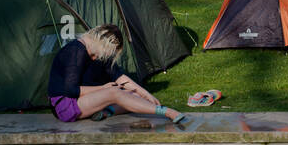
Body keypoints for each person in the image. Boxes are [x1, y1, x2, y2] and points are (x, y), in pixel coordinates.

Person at [48, 24, 185, 124]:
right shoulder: (75, 52)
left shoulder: (95, 49)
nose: (98, 58)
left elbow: (118, 77)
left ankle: (106, 112)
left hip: (82, 100)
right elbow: (70, 90)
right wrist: (104, 88)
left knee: (135, 96)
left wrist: (145, 94)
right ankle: (166, 112)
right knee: (114, 92)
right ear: (102, 44)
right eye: (105, 53)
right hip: (65, 105)